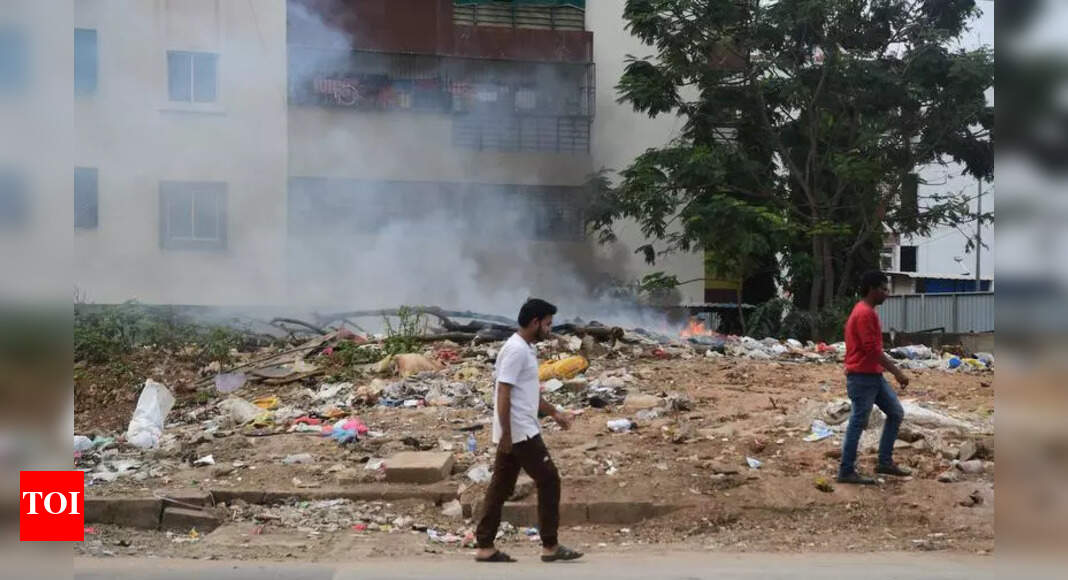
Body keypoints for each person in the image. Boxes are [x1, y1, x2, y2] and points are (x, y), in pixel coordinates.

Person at [474, 299, 583, 563]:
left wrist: (555, 413)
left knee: (500, 487)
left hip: (517, 429)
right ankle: (550, 545)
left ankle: (485, 546)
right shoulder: (516, 351)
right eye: (547, 324)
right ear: (535, 322)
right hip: (520, 431)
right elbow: (504, 392)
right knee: (549, 479)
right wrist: (507, 434)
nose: (550, 329)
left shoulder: (524, 348)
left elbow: (528, 394)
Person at [837, 271, 912, 485]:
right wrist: (897, 372)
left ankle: (884, 462)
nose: (887, 293)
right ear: (872, 289)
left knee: (895, 413)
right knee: (858, 422)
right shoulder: (864, 314)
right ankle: (846, 471)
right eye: (884, 289)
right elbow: (872, 350)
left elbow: (873, 350)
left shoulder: (867, 312)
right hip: (862, 377)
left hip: (873, 376)